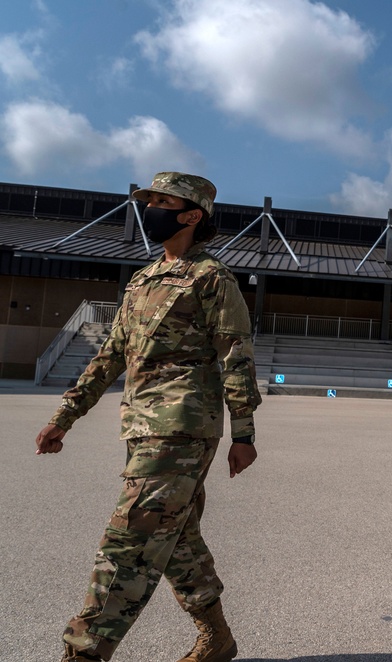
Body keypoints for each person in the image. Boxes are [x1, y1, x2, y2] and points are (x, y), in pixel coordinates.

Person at [35, 172, 262, 662]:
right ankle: (216, 637)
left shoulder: (211, 278)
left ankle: (84, 652)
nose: (150, 208)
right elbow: (111, 353)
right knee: (175, 536)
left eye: (162, 201)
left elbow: (236, 355)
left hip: (183, 426)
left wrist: (243, 433)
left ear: (192, 215)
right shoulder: (143, 279)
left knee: (129, 538)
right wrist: (66, 415)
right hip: (142, 426)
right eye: (149, 200)